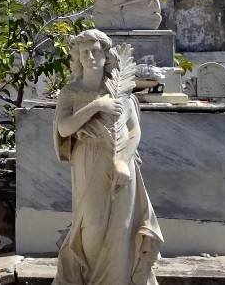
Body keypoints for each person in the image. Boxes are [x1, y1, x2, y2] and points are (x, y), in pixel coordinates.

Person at [53, 30, 162, 285]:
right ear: (77, 57)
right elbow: (64, 129)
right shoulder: (70, 92)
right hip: (88, 159)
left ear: (106, 54)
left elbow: (134, 130)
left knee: (122, 228)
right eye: (84, 52)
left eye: (96, 51)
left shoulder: (121, 91)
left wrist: (122, 160)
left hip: (122, 162)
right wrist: (97, 106)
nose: (90, 57)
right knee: (91, 227)